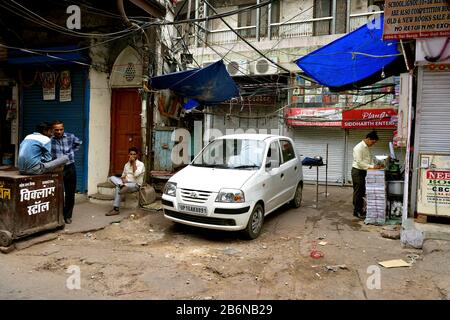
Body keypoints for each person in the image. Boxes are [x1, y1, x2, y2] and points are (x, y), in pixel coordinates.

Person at [51, 120, 82, 224]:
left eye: (61, 129)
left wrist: (72, 152)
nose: (59, 132)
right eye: (56, 130)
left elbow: (78, 143)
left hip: (70, 167)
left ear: (63, 128)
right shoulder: (49, 140)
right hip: (56, 168)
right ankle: (58, 215)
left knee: (70, 193)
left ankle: (67, 215)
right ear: (52, 130)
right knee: (57, 193)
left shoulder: (70, 136)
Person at [351, 130, 382, 219]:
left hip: (363, 171)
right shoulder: (358, 148)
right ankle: (356, 211)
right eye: (372, 142)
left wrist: (374, 166)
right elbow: (360, 163)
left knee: (362, 190)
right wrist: (372, 167)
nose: (373, 144)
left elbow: (369, 159)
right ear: (368, 139)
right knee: (358, 191)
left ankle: (360, 209)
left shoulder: (367, 147)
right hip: (357, 171)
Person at [106, 147, 145, 216]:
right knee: (111, 177)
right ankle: (122, 185)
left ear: (137, 155)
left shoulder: (141, 164)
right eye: (131, 154)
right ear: (128, 155)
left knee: (118, 187)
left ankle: (116, 209)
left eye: (134, 154)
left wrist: (133, 163)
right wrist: (123, 179)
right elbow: (123, 176)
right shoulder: (126, 165)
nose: (132, 156)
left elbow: (136, 175)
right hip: (125, 183)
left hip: (135, 185)